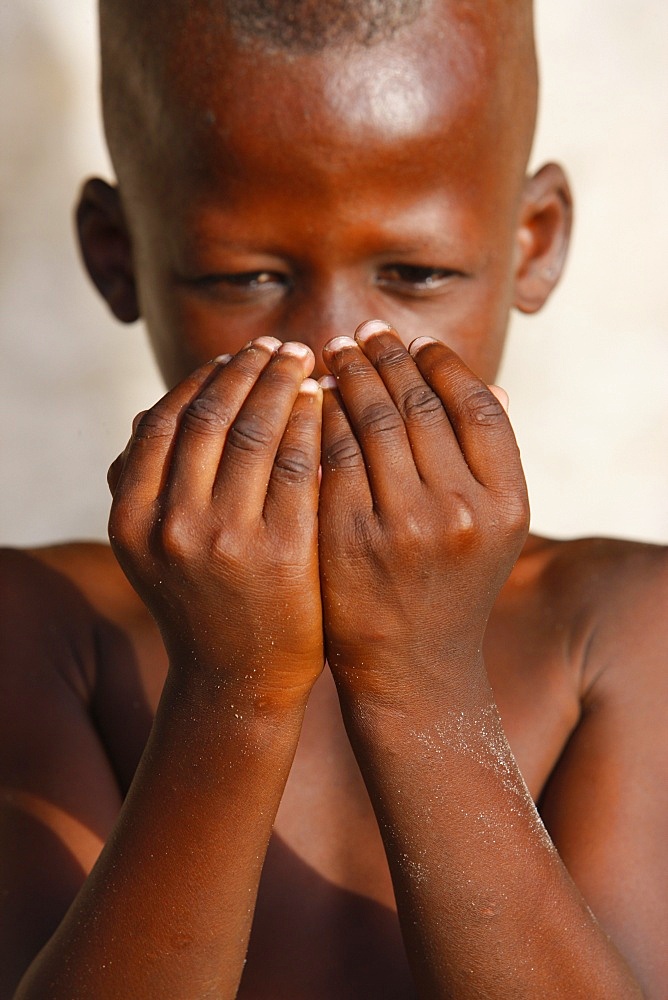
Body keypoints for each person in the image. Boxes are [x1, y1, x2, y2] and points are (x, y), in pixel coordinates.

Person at [1, 0, 666, 996]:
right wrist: (231, 693)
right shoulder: (41, 628)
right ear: (115, 254)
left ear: (531, 242)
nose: (327, 349)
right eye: (244, 275)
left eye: (414, 272)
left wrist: (421, 682)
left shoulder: (620, 627)